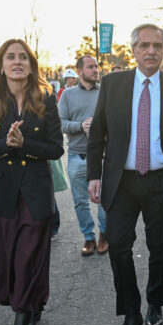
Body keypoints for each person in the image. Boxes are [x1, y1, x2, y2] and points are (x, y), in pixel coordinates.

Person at [87, 23, 163, 325]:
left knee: (159, 246)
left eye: (157, 46)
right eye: (144, 45)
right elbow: (97, 134)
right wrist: (94, 175)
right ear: (132, 50)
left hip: (162, 179)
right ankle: (130, 314)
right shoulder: (113, 84)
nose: (151, 51)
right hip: (122, 181)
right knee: (118, 245)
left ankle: (155, 304)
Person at [0, 39, 63, 325]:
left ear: (31, 64)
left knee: (28, 257)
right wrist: (7, 144)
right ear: (1, 64)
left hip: (35, 193)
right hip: (3, 193)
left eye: (23, 57)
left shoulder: (45, 100)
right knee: (13, 258)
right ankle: (33, 304)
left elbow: (55, 148)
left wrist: (25, 144)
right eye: (10, 57)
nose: (17, 62)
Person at [59, 55, 108, 256]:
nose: (95, 70)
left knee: (105, 199)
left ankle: (104, 234)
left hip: (105, 156)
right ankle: (88, 237)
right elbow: (60, 123)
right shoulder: (68, 95)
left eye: (96, 67)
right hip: (77, 156)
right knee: (80, 201)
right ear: (79, 72)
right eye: (90, 67)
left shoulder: (106, 91)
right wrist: (80, 126)